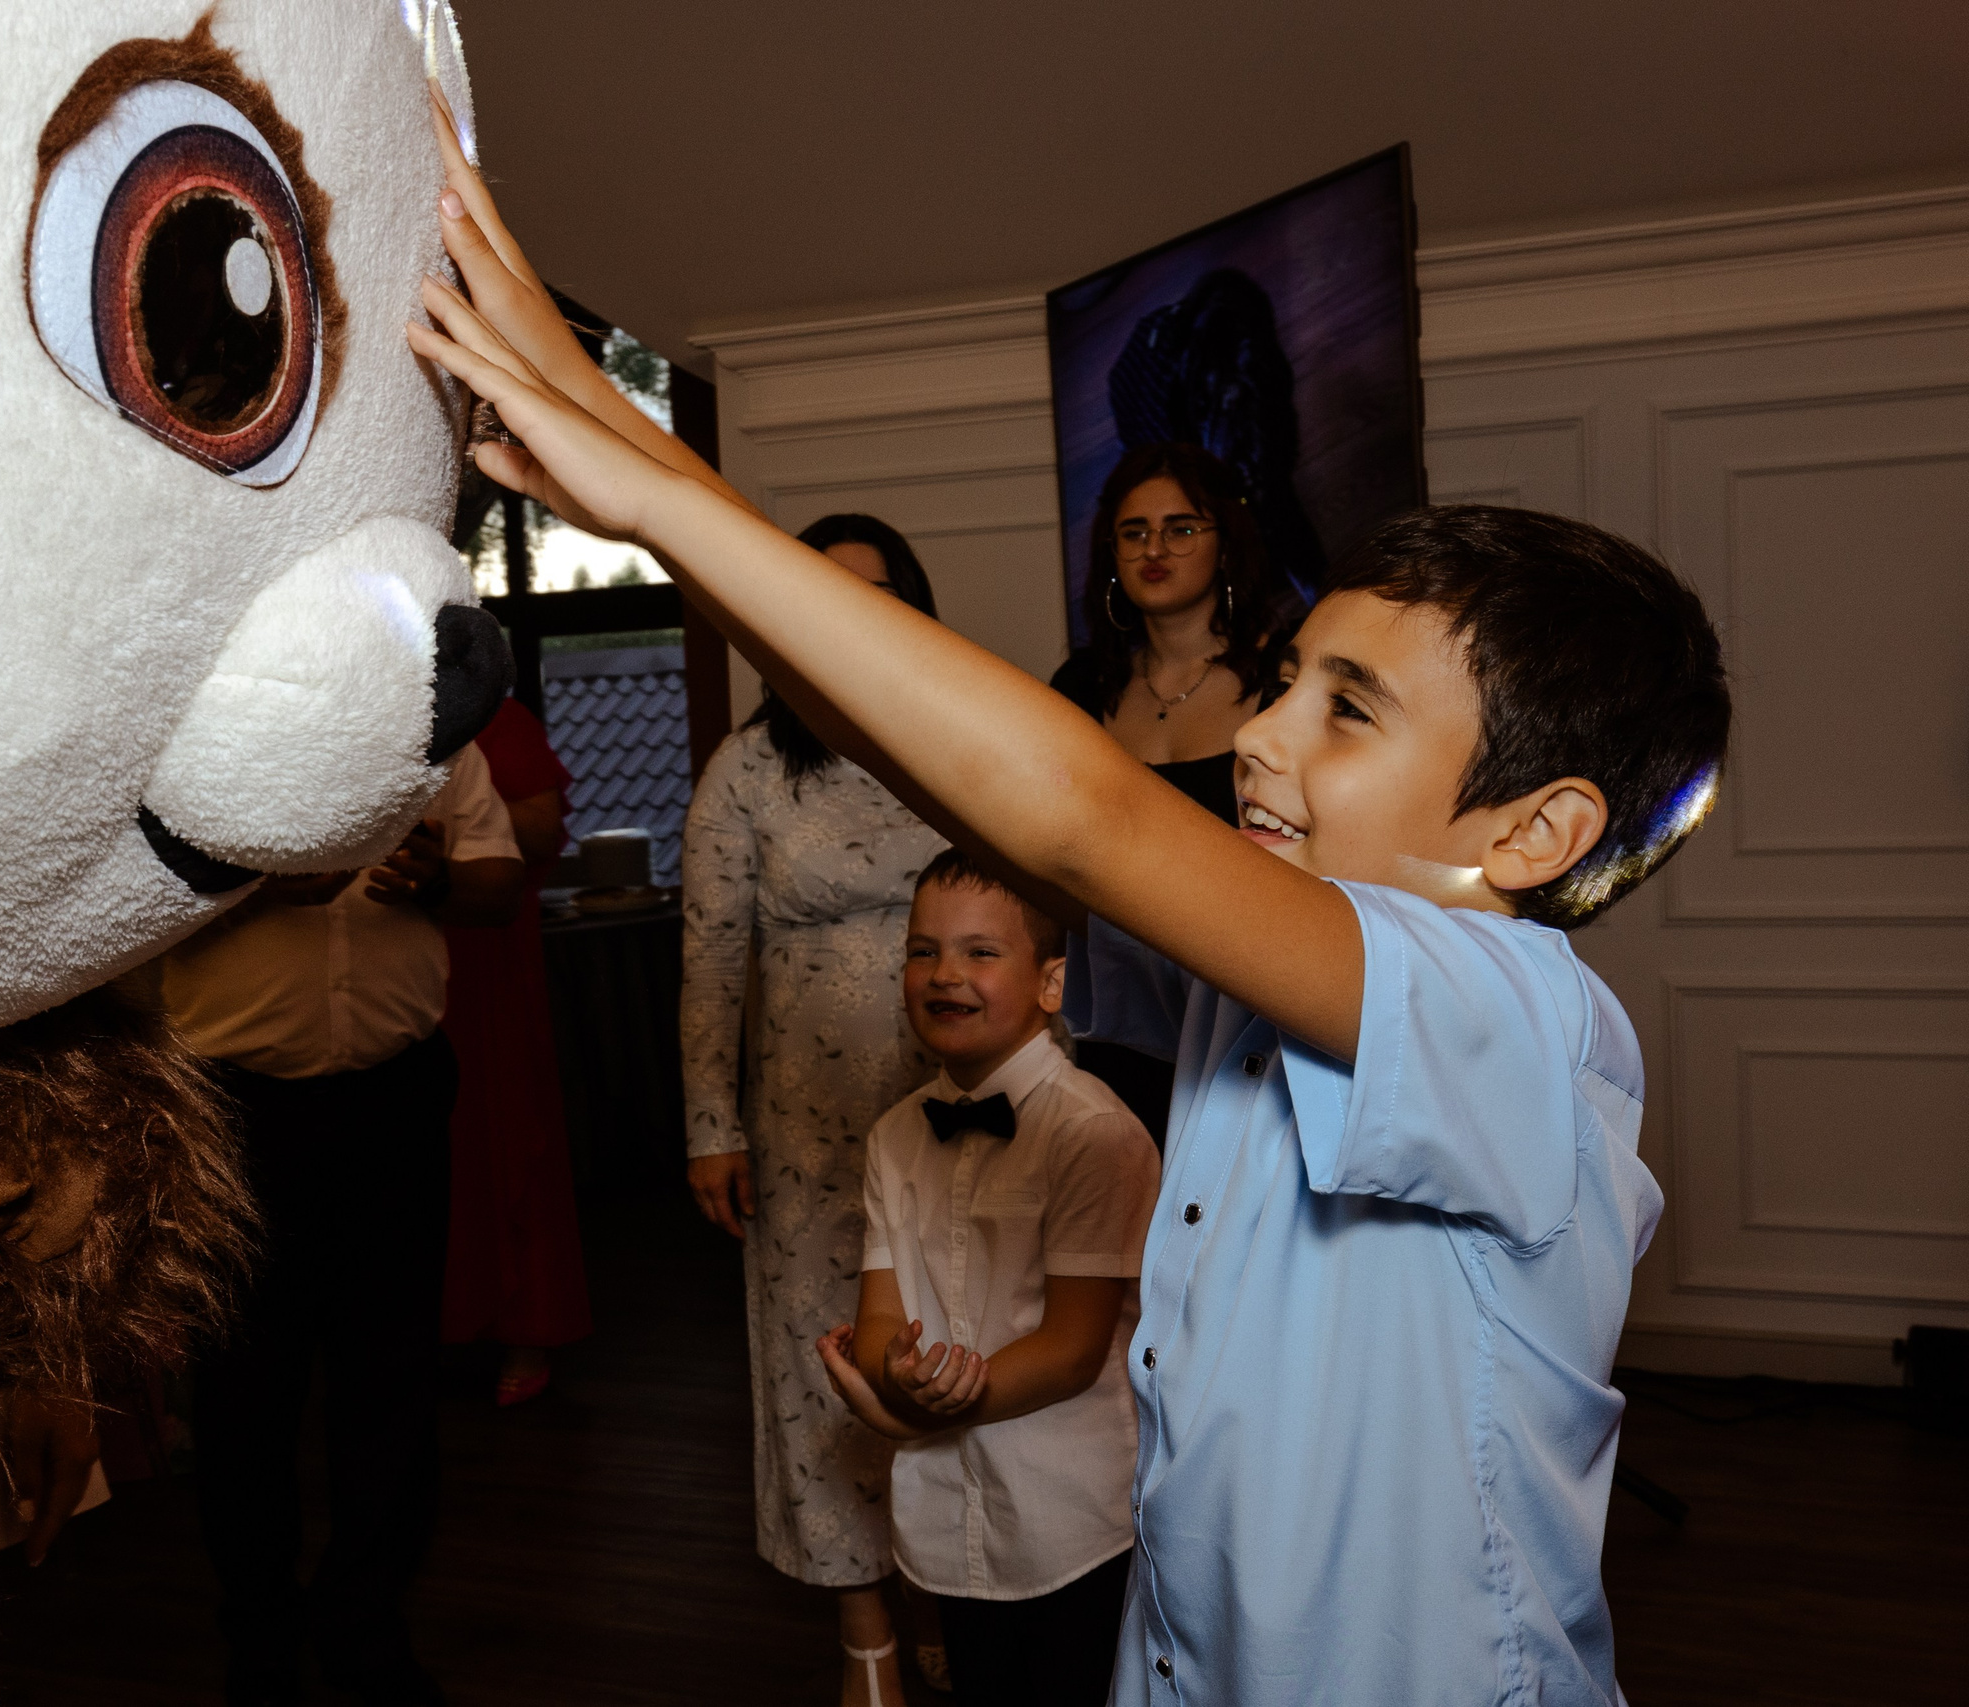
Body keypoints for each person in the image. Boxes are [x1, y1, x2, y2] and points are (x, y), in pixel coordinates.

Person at [407, 107, 1732, 1705]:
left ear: (1539, 828)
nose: (1260, 732)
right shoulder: (1268, 981)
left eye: (1347, 709)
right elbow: (982, 796)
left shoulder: (1520, 1016)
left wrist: (658, 486)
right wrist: (644, 475)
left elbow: (1082, 811)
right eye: (1289, 683)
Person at [129, 745, 525, 1707]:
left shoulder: (437, 736)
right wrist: (256, 892)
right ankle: (258, 1634)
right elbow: (128, 903)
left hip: (394, 1095)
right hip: (235, 1111)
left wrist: (439, 879)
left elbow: (500, 880)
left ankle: (365, 1623)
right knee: (243, 1389)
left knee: (390, 1379)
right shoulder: (197, 747)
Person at [679, 511, 948, 1706]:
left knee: (949, 1338)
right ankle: (865, 1629)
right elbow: (708, 958)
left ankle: (953, 1585)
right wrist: (710, 1124)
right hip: (806, 1120)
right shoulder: (747, 767)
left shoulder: (953, 738)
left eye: (875, 592)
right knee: (820, 1355)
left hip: (952, 1101)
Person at [817, 851, 1159, 1707]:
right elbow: (881, 1318)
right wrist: (890, 1372)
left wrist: (910, 1405)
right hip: (945, 1514)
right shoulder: (894, 1137)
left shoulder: (1094, 1133)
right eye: (922, 950)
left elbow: (1074, 1349)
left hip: (1074, 1520)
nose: (944, 975)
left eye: (979, 953)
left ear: (1051, 983)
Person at [1048, 440, 1306, 1142]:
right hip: (1115, 1007)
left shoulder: (1285, 682)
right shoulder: (1079, 687)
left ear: (1226, 544)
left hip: (1245, 1000)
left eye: (1181, 527)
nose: (1153, 547)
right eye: (1133, 532)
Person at [440, 694, 592, 1403]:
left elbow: (543, 828)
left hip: (486, 958)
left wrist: (453, 818)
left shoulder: (493, 718)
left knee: (505, 1131)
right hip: (397, 957)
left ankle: (525, 1326)